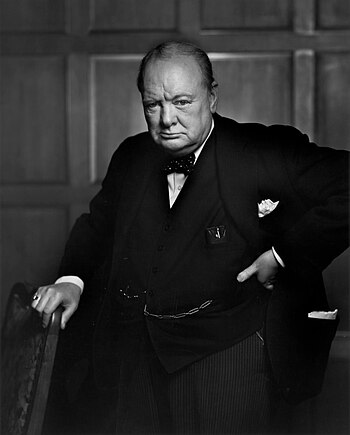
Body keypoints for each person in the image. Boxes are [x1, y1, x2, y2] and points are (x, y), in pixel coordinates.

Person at [32, 41, 349, 434]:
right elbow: (97, 226)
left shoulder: (261, 150)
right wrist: (71, 281)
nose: (167, 119)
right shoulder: (131, 156)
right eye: (153, 105)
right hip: (135, 354)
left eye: (182, 102)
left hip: (229, 353)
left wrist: (283, 255)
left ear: (212, 97)